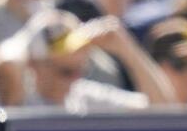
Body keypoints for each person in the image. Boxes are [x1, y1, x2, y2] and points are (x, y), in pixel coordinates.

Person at [14, 10, 176, 111]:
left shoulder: (84, 96)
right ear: (33, 65)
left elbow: (164, 110)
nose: (75, 79)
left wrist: (128, 49)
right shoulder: (16, 101)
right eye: (66, 72)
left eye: (81, 69)